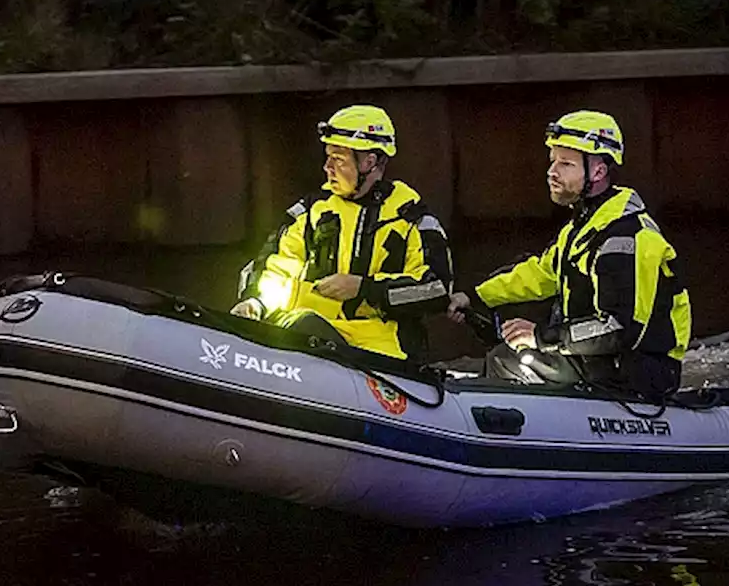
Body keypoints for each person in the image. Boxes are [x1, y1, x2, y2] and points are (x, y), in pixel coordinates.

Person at [446, 110, 691, 399]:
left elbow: (617, 328)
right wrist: (475, 297)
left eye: (566, 164)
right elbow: (540, 274)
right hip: (602, 361)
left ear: (598, 172)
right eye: (553, 162)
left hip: (638, 371)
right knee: (506, 353)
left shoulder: (626, 239)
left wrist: (541, 338)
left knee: (505, 360)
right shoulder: (584, 227)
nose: (552, 172)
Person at [231, 104, 454, 362]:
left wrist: (364, 288)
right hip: (309, 338)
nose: (327, 167)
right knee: (292, 330)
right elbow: (277, 266)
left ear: (368, 162)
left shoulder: (411, 219)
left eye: (338, 159)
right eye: (327, 157)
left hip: (383, 350)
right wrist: (255, 303)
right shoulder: (312, 212)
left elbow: (436, 289)